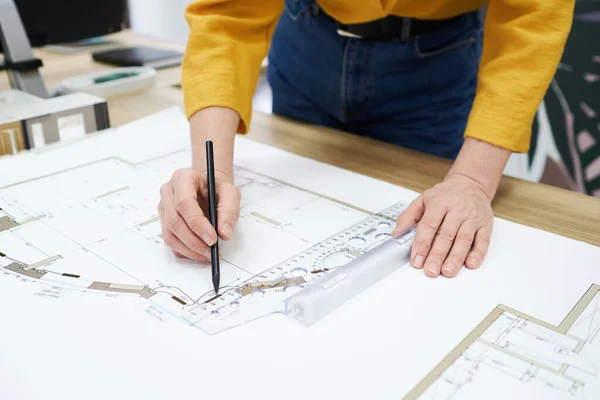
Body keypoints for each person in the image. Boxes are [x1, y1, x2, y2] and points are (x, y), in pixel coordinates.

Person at [158, 0, 573, 278]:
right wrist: (211, 174)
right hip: (308, 38)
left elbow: (533, 17)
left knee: (429, 239)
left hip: (436, 60)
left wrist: (472, 182)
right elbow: (230, 13)